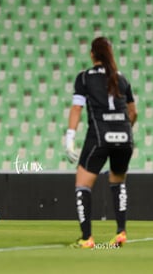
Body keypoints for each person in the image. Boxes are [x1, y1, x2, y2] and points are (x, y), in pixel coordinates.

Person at [65, 37, 138, 248]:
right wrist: (124, 132)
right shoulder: (121, 78)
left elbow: (77, 108)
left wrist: (70, 137)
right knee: (118, 182)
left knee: (82, 184)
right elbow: (133, 112)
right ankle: (121, 232)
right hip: (125, 136)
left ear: (92, 54)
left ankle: (87, 238)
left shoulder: (85, 77)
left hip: (99, 136)